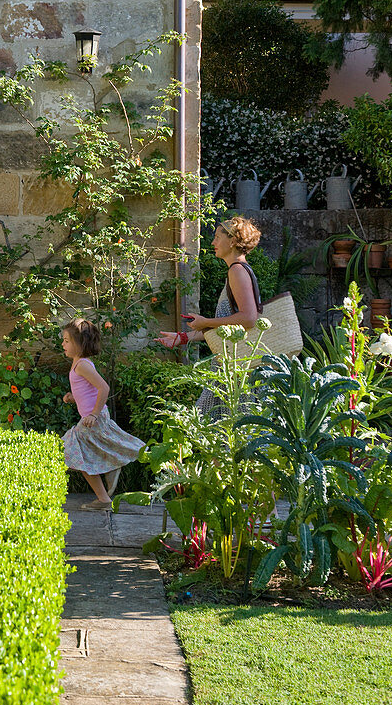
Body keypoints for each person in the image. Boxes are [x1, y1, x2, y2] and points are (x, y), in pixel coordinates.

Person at [156, 215, 263, 413]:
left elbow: (249, 318)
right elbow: (227, 327)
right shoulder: (237, 270)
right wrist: (183, 337)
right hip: (230, 366)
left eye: (217, 237)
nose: (213, 242)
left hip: (235, 369)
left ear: (232, 241)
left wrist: (206, 321)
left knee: (212, 423)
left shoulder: (237, 271)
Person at [61, 318, 145, 511]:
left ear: (79, 344)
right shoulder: (79, 363)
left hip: (93, 419)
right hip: (93, 417)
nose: (63, 344)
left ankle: (104, 498)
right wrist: (74, 397)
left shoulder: (82, 365)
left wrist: (94, 414)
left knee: (74, 453)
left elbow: (103, 388)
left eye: (67, 340)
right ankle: (108, 482)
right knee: (79, 455)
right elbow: (89, 390)